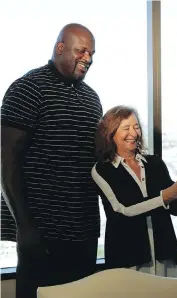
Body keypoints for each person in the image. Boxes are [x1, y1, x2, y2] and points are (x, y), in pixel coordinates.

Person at [1, 23, 102, 298]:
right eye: (81, 51)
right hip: (42, 234)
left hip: (84, 232)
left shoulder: (92, 99)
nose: (88, 59)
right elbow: (6, 161)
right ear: (60, 48)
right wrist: (24, 225)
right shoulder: (27, 88)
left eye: (92, 53)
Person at [91, 105, 177, 277]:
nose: (134, 133)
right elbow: (122, 210)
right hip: (128, 261)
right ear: (110, 133)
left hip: (165, 259)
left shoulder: (155, 163)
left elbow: (174, 208)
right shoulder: (102, 170)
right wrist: (166, 196)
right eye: (126, 128)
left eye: (136, 127)